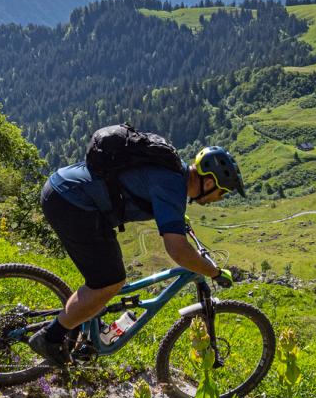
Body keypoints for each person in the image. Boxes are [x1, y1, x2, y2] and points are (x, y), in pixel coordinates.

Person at [30, 144, 245, 364]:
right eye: (222, 193)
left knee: (105, 276)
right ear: (209, 183)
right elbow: (178, 250)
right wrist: (213, 271)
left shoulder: (174, 170)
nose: (219, 199)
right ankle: (50, 338)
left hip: (65, 189)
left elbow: (149, 191)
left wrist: (177, 219)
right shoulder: (172, 184)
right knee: (109, 281)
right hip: (73, 203)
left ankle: (84, 316)